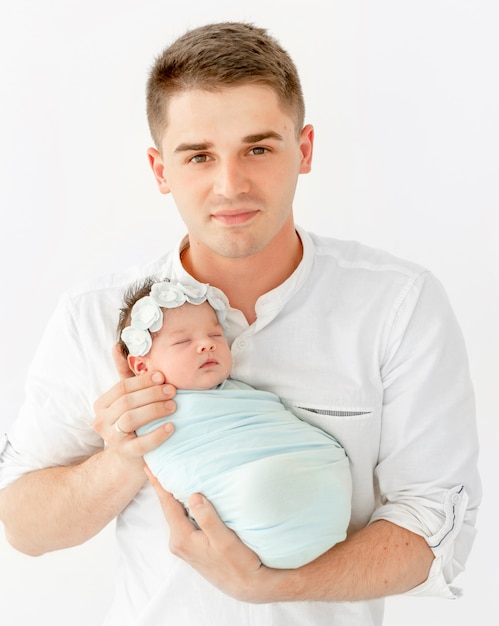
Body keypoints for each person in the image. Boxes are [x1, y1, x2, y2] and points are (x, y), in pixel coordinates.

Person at [0, 21, 480, 626]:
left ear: (303, 150)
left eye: (258, 148)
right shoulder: (92, 315)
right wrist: (122, 459)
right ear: (159, 169)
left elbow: (436, 522)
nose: (230, 185)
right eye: (198, 155)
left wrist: (276, 585)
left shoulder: (398, 305)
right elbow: (22, 526)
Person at [117, 276, 351, 569]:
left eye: (215, 336)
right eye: (183, 341)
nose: (206, 345)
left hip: (325, 499)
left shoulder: (239, 394)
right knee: (259, 487)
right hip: (261, 504)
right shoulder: (150, 417)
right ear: (142, 366)